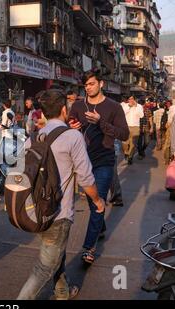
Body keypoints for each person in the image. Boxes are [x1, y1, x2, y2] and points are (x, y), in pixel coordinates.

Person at [17, 89, 105, 300]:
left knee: (56, 252)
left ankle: (62, 291)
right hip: (58, 213)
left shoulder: (33, 137)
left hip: (35, 210)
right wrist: (97, 200)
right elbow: (85, 177)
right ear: (64, 109)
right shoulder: (73, 137)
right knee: (43, 268)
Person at [69, 68, 129, 265]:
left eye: (92, 84)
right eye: (85, 85)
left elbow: (124, 134)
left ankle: (88, 248)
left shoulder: (113, 107)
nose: (88, 88)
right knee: (93, 201)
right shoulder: (78, 106)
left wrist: (101, 122)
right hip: (82, 161)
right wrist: (72, 128)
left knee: (97, 201)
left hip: (104, 160)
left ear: (101, 84)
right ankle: (100, 227)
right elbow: (67, 127)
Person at [121, 95, 143, 165]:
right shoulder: (125, 106)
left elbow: (141, 115)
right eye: (129, 99)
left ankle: (130, 158)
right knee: (124, 143)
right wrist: (129, 107)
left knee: (133, 144)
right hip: (126, 126)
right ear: (128, 100)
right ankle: (126, 153)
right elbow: (122, 114)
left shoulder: (139, 106)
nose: (131, 100)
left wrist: (136, 107)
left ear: (135, 99)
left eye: (132, 99)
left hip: (135, 127)